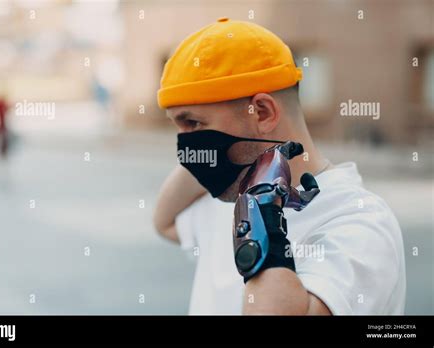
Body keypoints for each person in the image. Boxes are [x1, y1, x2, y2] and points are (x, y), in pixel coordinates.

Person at [153, 17, 406, 315]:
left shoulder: (359, 223)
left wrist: (262, 213)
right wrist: (205, 157)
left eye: (193, 122)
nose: (184, 146)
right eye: (178, 127)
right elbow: (165, 223)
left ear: (261, 112)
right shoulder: (231, 196)